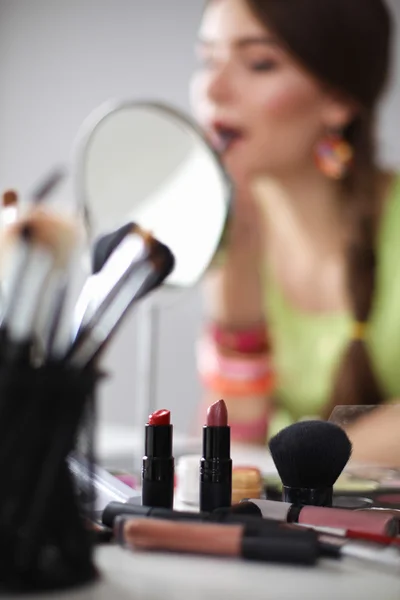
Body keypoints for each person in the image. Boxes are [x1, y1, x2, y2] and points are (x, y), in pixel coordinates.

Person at [191, 0, 400, 465]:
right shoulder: (233, 236)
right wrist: (235, 293)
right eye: (207, 60)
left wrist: (285, 472)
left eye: (259, 63)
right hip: (291, 517)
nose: (214, 88)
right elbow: (235, 438)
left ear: (339, 100)